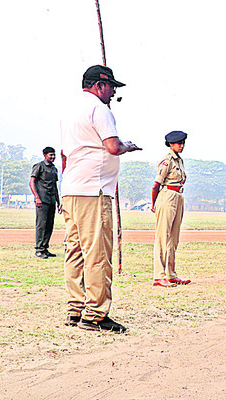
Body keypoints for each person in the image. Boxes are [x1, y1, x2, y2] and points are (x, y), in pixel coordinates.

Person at [60, 65, 141, 333]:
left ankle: (75, 307)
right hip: (93, 190)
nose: (113, 92)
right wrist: (129, 146)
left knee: (74, 251)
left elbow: (64, 156)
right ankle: (95, 314)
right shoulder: (99, 109)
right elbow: (113, 146)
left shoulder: (70, 110)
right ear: (99, 85)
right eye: (111, 87)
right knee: (96, 253)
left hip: (71, 188)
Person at [151, 131, 191, 287]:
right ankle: (159, 275)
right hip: (167, 195)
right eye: (178, 143)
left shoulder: (179, 161)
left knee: (173, 238)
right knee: (162, 237)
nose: (181, 146)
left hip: (178, 195)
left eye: (182, 143)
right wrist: (154, 203)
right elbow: (156, 184)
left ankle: (171, 274)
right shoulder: (167, 161)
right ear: (170, 144)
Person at [29, 147, 61, 259]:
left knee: (49, 225)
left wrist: (58, 202)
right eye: (50, 155)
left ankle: (45, 248)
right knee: (41, 225)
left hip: (51, 200)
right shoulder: (39, 166)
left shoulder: (54, 169)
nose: (53, 157)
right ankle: (39, 249)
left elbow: (55, 186)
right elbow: (32, 182)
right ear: (45, 155)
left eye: (54, 155)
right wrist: (37, 197)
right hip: (42, 201)